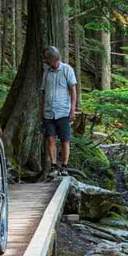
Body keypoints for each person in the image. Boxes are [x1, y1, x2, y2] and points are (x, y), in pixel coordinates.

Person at [38, 46, 78, 177]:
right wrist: (41, 111)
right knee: (50, 139)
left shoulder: (67, 70)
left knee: (65, 140)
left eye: (46, 57)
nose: (44, 59)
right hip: (49, 112)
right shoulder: (46, 72)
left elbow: (73, 90)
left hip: (63, 112)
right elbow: (43, 93)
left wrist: (72, 110)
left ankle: (64, 167)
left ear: (52, 58)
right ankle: (54, 167)